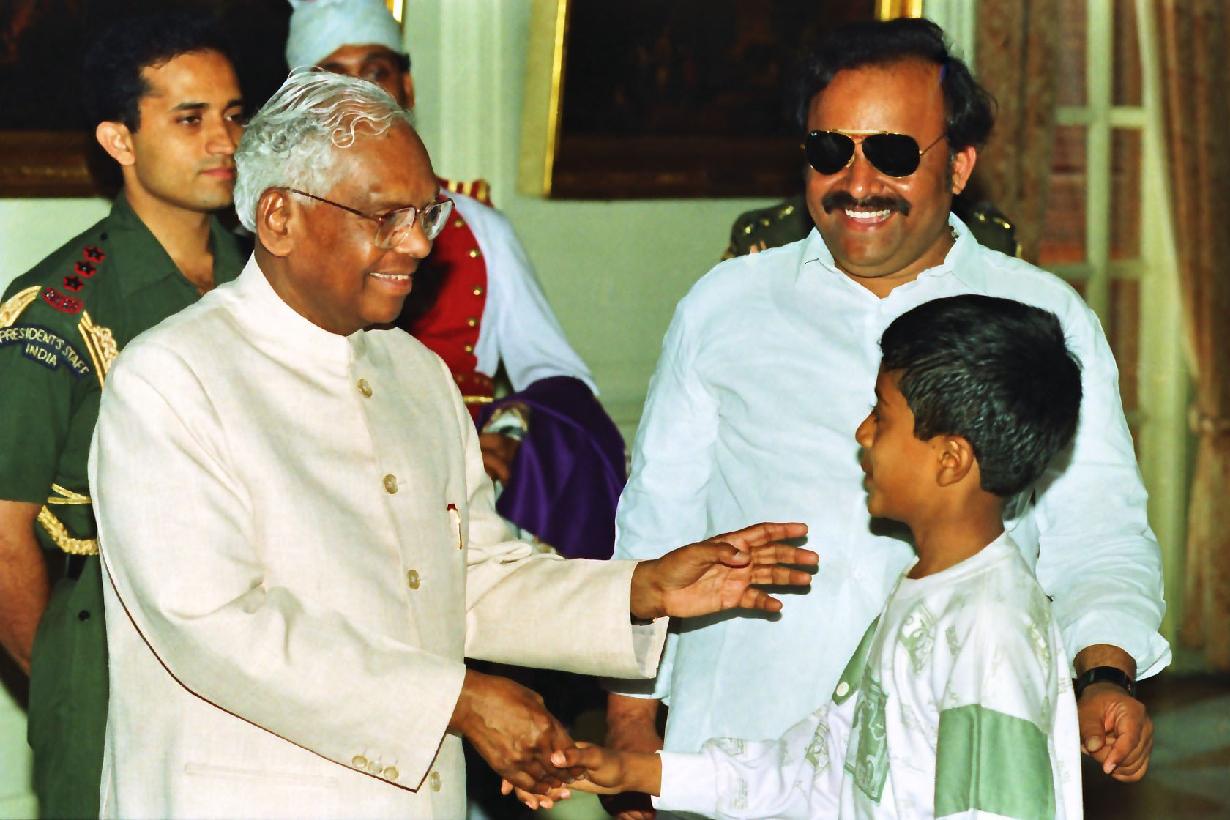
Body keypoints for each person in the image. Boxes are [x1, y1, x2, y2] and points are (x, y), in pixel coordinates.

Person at [87, 69, 819, 819]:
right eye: (385, 216)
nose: (417, 243)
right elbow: (216, 629)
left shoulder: (415, 373)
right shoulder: (173, 378)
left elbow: (469, 581)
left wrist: (641, 590)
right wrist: (458, 701)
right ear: (279, 218)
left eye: (425, 213)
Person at [606, 17, 1166, 818]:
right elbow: (655, 524)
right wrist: (631, 724)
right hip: (735, 753)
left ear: (960, 164)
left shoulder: (1041, 320)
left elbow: (1100, 532)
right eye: (830, 150)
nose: (857, 183)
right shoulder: (725, 305)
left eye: (894, 154)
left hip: (956, 761)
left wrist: (1104, 675)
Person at [557, 295, 1086, 818]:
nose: (862, 432)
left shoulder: (989, 626)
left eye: (881, 416)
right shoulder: (928, 592)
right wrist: (637, 772)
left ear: (951, 460)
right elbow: (818, 771)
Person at [0, 14, 246, 817]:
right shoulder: (60, 312)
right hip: (114, 656)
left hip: (262, 655)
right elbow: (3, 535)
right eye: (190, 119)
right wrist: (67, 681)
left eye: (233, 114)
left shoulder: (267, 279)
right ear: (120, 140)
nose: (224, 141)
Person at [285, 0, 623, 561]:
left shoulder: (479, 229)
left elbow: (558, 379)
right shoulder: (276, 231)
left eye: (375, 72)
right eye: (333, 78)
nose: (358, 97)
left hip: (460, 499)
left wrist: (506, 436)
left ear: (407, 86)